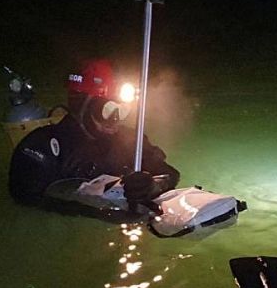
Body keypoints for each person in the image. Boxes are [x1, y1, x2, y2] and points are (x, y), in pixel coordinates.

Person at [9, 58, 180, 215]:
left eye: (122, 111)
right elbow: (24, 196)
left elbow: (170, 173)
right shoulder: (42, 145)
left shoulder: (129, 140)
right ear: (81, 106)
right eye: (107, 110)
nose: (115, 120)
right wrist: (91, 212)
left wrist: (153, 185)